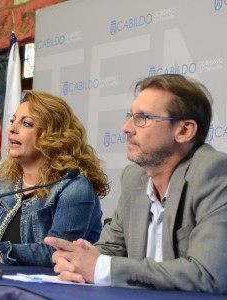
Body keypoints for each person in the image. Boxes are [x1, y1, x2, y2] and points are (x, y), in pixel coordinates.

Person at [45, 74, 227, 295]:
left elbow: (208, 275)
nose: (126, 128)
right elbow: (110, 250)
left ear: (184, 131)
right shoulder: (134, 178)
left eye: (142, 118)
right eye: (131, 116)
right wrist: (75, 259)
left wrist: (101, 268)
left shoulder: (214, 172)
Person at [0, 90, 110, 266]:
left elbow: (56, 253)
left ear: (54, 136)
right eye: (13, 121)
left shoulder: (73, 187)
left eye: (27, 124)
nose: (12, 129)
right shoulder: (6, 184)